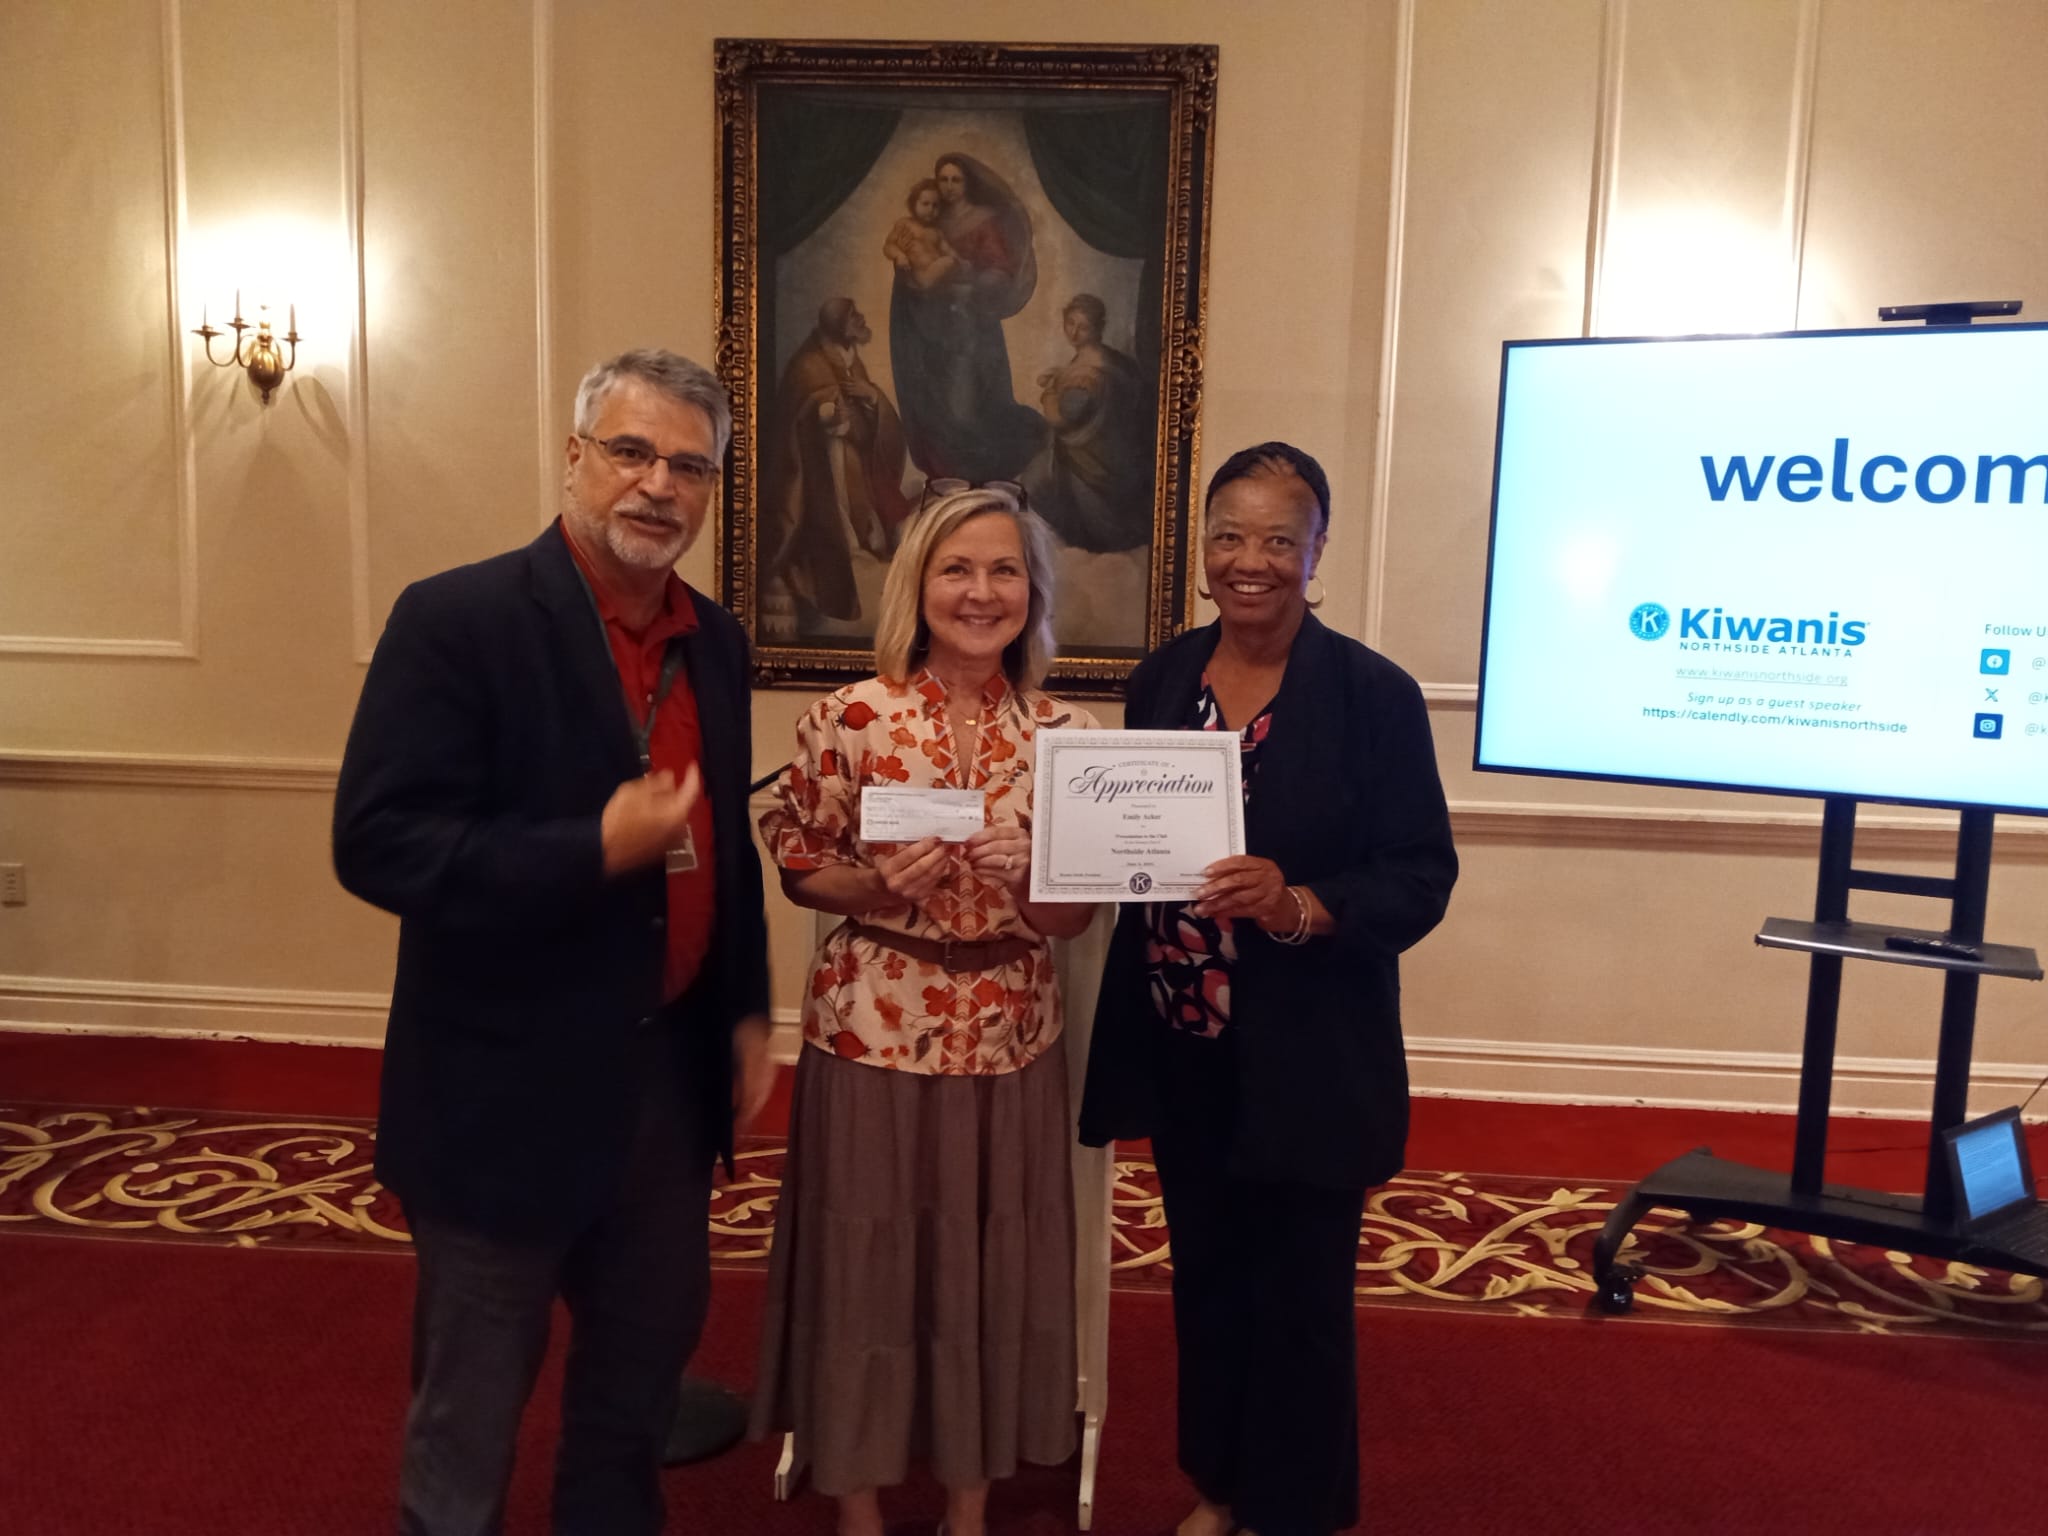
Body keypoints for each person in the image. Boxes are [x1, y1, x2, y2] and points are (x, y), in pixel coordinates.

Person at [332, 348, 774, 1536]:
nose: (658, 485)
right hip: (501, 1091)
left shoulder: (714, 640)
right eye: (631, 452)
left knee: (636, 1381)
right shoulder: (458, 619)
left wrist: (743, 1009)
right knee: (471, 1408)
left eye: (689, 466)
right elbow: (377, 843)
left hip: (664, 1085)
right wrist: (589, 847)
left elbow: (722, 846)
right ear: (574, 456)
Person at [1078, 442, 1458, 1536]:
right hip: (1182, 1039)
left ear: (1316, 550)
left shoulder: (1372, 695)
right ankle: (1219, 1486)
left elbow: (1418, 875)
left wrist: (1296, 904)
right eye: (1229, 537)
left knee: (1299, 1296)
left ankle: (1291, 1511)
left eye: (1278, 540)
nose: (1250, 561)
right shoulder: (1163, 678)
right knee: (1206, 1279)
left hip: (1309, 1052)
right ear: (1201, 548)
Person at [751, 484, 1098, 1536]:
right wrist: (876, 885)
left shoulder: (1067, 737)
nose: (980, 593)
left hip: (1010, 1035)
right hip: (873, 1028)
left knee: (988, 1274)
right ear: (917, 585)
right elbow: (802, 871)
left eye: (1003, 571)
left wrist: (1033, 868)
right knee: (865, 1265)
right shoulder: (848, 716)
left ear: (1032, 592)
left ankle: (967, 1505)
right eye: (956, 569)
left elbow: (1068, 919)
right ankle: (857, 1505)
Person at [888, 153, 1048, 484]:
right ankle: (954, 478)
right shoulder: (930, 219)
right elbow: (905, 259)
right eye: (943, 179)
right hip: (928, 329)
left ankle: (981, 474)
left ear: (967, 182)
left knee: (967, 408)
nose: (948, 187)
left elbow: (1000, 271)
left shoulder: (982, 220)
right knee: (934, 405)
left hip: (970, 328)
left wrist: (968, 286)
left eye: (955, 180)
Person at [762, 296, 912, 628]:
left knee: (862, 514)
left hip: (850, 459)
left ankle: (860, 542)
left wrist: (872, 397)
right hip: (821, 467)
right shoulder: (808, 365)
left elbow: (867, 420)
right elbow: (797, 414)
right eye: (853, 316)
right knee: (835, 520)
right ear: (837, 325)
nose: (861, 319)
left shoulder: (851, 360)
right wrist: (826, 413)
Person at [1024, 292, 1155, 553]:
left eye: (1083, 327)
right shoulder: (1107, 358)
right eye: (1070, 323)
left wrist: (1049, 392)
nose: (1074, 332)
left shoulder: (1090, 375)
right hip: (1109, 452)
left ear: (1097, 329)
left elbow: (1060, 418)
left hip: (1091, 463)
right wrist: (1060, 377)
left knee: (1036, 487)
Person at [882, 178, 960, 291]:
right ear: (913, 204)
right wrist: (899, 255)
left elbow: (947, 248)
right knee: (948, 262)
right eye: (925, 204)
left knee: (951, 262)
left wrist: (959, 259)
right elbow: (889, 246)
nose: (930, 209)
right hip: (919, 275)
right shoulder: (905, 223)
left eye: (935, 205)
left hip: (937, 275)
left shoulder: (936, 231)